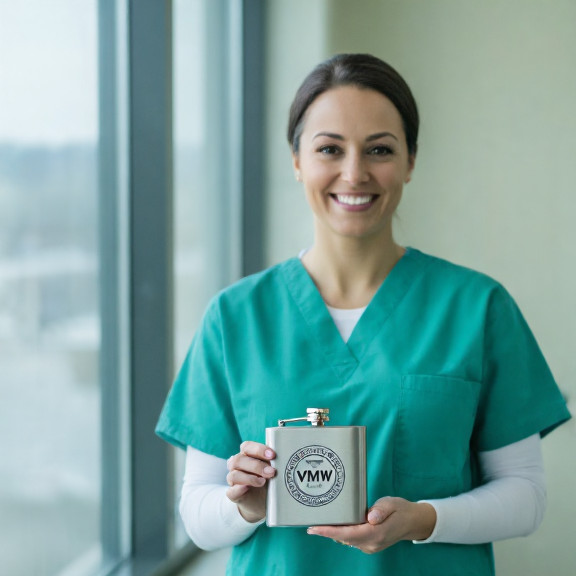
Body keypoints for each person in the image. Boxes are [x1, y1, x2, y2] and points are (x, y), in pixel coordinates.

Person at [156, 53, 571, 575]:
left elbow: (525, 497)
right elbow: (197, 512)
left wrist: (422, 519)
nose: (355, 173)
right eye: (330, 148)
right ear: (297, 160)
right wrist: (245, 505)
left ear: (411, 162)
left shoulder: (478, 308)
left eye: (379, 149)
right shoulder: (236, 318)